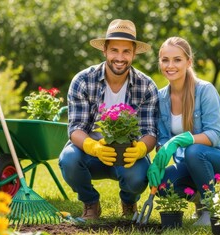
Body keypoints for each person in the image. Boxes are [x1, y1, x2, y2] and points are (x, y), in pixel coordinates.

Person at [59, 19, 159, 221]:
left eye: (126, 51)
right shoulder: (83, 80)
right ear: (104, 51)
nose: (120, 58)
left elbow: (150, 132)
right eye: (114, 50)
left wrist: (140, 149)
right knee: (68, 159)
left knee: (138, 177)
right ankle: (90, 203)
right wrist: (93, 147)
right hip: (90, 154)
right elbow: (75, 128)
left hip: (127, 153)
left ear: (133, 53)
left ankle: (129, 201)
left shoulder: (146, 86)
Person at [147, 37, 220, 226]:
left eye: (177, 59)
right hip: (192, 164)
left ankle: (211, 211)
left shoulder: (204, 91)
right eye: (165, 60)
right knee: (163, 184)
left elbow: (214, 135)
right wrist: (159, 160)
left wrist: (180, 140)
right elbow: (163, 139)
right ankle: (200, 203)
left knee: (193, 150)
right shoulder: (160, 97)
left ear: (188, 62)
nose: (170, 65)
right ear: (160, 62)